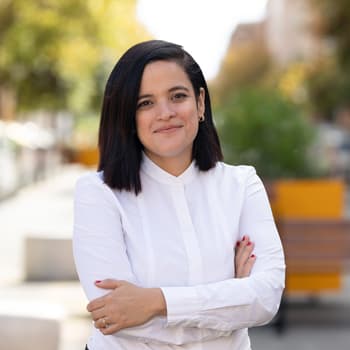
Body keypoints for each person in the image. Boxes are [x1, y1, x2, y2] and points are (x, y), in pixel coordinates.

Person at [73, 40, 285, 350]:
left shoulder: (242, 186)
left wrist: (156, 302)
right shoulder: (99, 194)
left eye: (178, 96)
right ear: (128, 116)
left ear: (200, 103)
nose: (165, 112)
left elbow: (266, 297)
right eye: (145, 103)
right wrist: (231, 298)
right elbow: (115, 315)